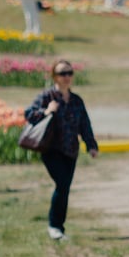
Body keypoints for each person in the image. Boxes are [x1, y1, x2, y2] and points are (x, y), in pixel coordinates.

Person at [24, 60, 99, 240]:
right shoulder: (47, 96)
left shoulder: (76, 100)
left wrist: (91, 145)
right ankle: (55, 226)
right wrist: (46, 111)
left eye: (69, 73)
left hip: (71, 150)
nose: (66, 77)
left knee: (64, 187)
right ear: (54, 76)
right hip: (51, 149)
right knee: (63, 184)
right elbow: (29, 114)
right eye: (62, 73)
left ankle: (58, 227)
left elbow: (84, 124)